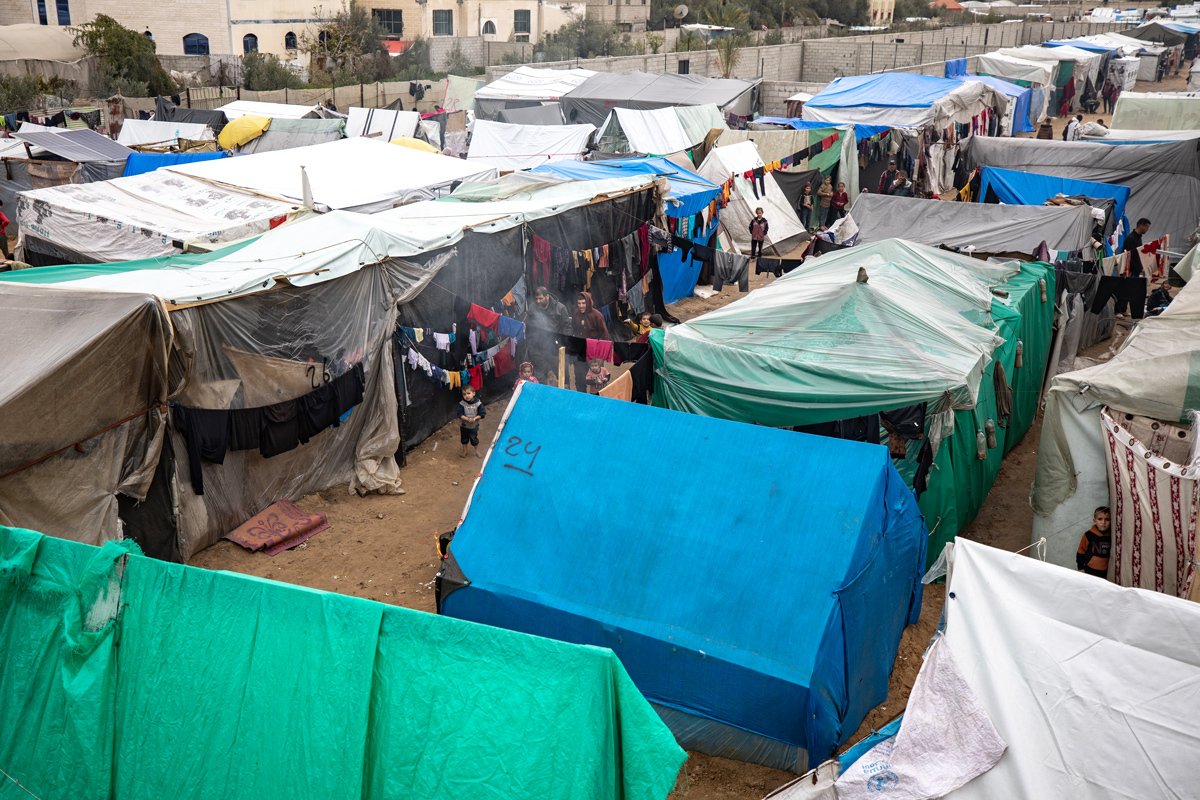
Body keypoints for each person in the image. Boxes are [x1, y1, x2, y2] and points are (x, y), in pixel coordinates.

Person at [1076, 506, 1112, 578]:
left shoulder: (1112, 536)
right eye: (1100, 519)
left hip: (1106, 572)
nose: (1103, 522)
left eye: (1107, 519)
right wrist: (1080, 568)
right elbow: (1080, 552)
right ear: (1094, 521)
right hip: (1089, 570)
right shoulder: (1088, 535)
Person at [457, 386, 486, 459]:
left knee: (474, 439)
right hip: (464, 426)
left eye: (468, 393)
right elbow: (459, 414)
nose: (466, 396)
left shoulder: (478, 403)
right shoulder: (462, 404)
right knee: (464, 439)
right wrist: (467, 419)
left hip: (474, 426)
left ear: (473, 393)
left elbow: (482, 414)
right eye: (464, 394)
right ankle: (465, 451)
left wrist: (475, 418)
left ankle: (476, 451)